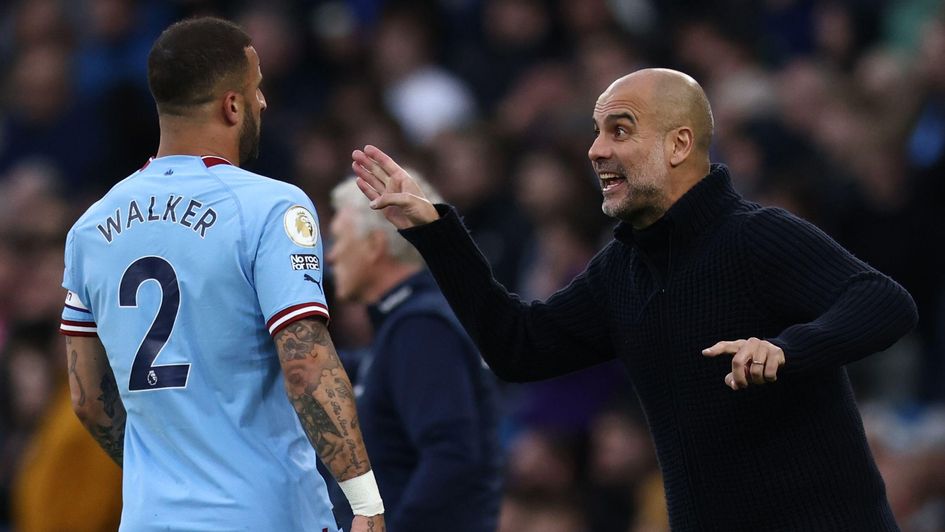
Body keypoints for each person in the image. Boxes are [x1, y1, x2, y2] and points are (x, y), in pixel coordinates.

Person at [350, 68, 919, 530]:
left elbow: (884, 300)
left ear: (678, 144)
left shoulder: (756, 235)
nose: (596, 150)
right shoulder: (621, 269)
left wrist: (787, 349)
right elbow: (517, 348)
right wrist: (435, 232)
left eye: (620, 130)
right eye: (596, 132)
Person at [59, 17, 384, 532]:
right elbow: (306, 364)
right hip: (264, 514)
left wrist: (166, 476)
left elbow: (88, 400)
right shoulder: (271, 206)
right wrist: (364, 500)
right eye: (256, 90)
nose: (263, 104)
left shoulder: (91, 227)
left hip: (151, 519)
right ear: (231, 104)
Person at [325, 176, 502, 531]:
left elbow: (452, 458)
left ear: (375, 245)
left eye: (339, 239)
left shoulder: (421, 327)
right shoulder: (405, 327)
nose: (331, 255)